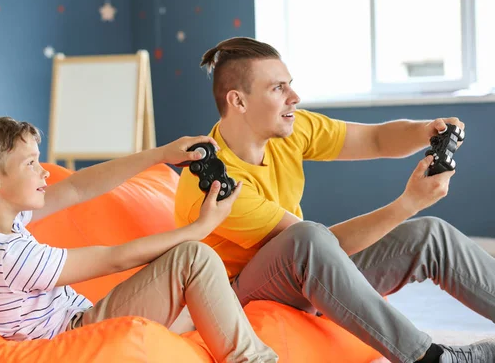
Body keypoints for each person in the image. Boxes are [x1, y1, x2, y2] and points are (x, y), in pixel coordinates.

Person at [174, 37, 495, 363]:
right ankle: (429, 358)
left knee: (430, 235)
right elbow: (315, 249)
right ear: (238, 101)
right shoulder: (214, 185)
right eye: (278, 88)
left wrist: (426, 130)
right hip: (236, 296)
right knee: (306, 237)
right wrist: (407, 203)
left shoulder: (288, 130)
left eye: (291, 86)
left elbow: (375, 139)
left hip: (307, 272)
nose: (294, 98)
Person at [0, 117, 278, 363]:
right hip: (76, 340)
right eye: (31, 163)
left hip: (77, 323)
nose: (44, 171)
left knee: (208, 293)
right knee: (195, 258)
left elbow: (79, 187)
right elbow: (114, 258)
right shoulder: (9, 258)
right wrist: (199, 229)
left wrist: (159, 154)